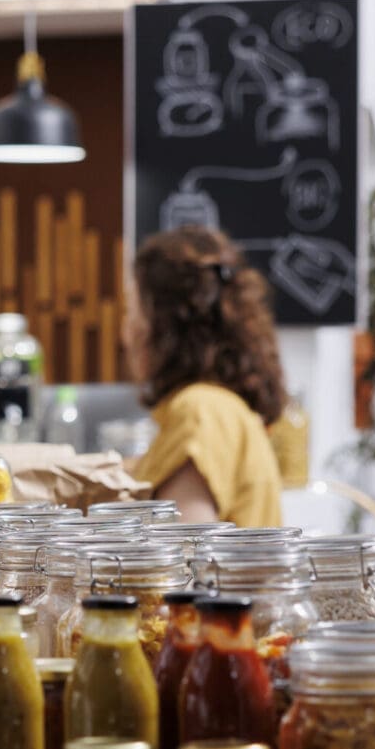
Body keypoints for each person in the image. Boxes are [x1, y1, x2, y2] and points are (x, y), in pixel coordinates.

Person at [122, 224, 286, 526]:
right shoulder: (218, 407)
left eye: (133, 311)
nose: (126, 333)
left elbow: (189, 556)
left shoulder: (199, 412)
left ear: (162, 326)